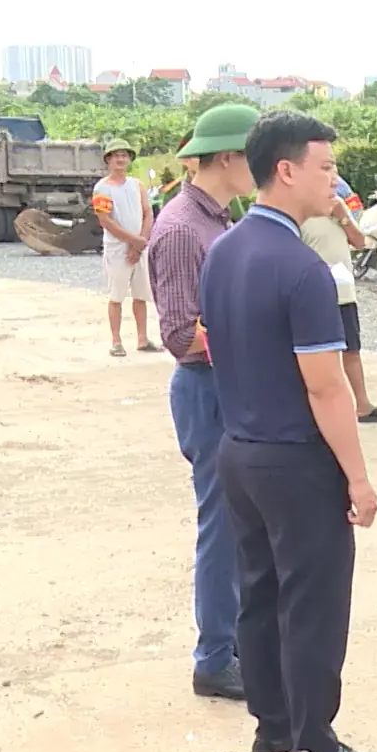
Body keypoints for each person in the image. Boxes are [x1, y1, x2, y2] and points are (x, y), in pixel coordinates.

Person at [200, 109, 377, 752]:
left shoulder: (223, 250)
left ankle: (274, 730)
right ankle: (315, 742)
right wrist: (359, 478)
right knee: (312, 604)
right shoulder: (301, 269)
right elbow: (326, 389)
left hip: (241, 449)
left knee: (258, 595)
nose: (334, 181)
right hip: (293, 460)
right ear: (285, 171)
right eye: (325, 167)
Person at [146, 103, 260, 703]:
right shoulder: (184, 228)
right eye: (252, 157)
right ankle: (214, 658)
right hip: (206, 388)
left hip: (226, 386)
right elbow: (181, 334)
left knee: (239, 524)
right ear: (225, 159)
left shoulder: (219, 216)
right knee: (221, 525)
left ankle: (231, 641)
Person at [299, 178, 377, 424]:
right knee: (319, 352)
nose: (332, 185)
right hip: (315, 293)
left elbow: (360, 242)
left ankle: (363, 405)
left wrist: (342, 216)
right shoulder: (300, 211)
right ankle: (316, 408)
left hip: (344, 291)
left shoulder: (337, 207)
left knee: (351, 349)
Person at [93, 139, 159, 357]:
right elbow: (106, 221)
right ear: (108, 160)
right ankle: (116, 341)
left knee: (141, 295)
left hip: (139, 247)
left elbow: (148, 213)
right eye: (116, 155)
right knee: (117, 296)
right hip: (116, 249)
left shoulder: (137, 185)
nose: (121, 159)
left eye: (124, 155)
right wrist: (133, 240)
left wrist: (140, 243)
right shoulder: (101, 188)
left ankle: (142, 338)